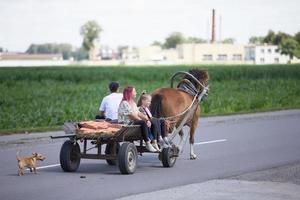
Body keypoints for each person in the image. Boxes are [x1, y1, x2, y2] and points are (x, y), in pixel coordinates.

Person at [118, 86, 157, 152]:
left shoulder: (133, 103)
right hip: (126, 123)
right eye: (134, 92)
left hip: (132, 122)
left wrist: (147, 119)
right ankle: (147, 143)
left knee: (152, 121)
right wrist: (143, 121)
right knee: (142, 122)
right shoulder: (125, 103)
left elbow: (138, 113)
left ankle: (154, 141)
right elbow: (132, 116)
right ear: (130, 93)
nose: (136, 93)